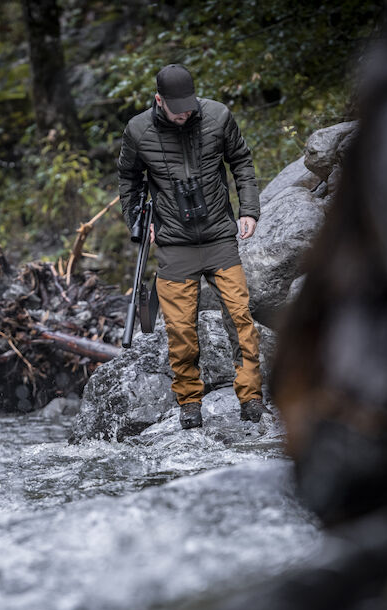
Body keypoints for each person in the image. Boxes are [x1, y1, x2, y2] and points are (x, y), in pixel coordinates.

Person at [117, 63, 269, 428]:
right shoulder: (138, 130)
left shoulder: (218, 116)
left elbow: (241, 162)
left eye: (188, 104)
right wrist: (140, 223)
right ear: (159, 100)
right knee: (181, 331)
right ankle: (189, 404)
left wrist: (249, 210)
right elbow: (129, 178)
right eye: (176, 107)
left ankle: (251, 400)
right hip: (173, 242)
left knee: (240, 318)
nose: (185, 112)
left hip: (219, 235)